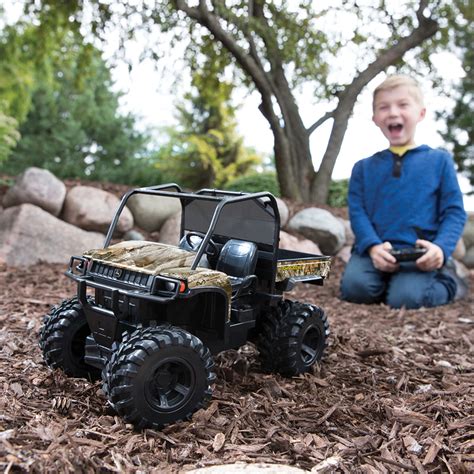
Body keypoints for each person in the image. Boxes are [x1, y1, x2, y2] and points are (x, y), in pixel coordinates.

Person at [340, 74, 467, 309]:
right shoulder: (363, 168)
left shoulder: (439, 161)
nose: (393, 113)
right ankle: (389, 281)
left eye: (403, 104)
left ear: (421, 113)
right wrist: (373, 246)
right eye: (384, 107)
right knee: (354, 289)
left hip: (418, 253)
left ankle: (450, 281)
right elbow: (358, 213)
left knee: (405, 299)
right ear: (375, 118)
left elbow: (454, 212)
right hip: (375, 250)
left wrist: (440, 248)